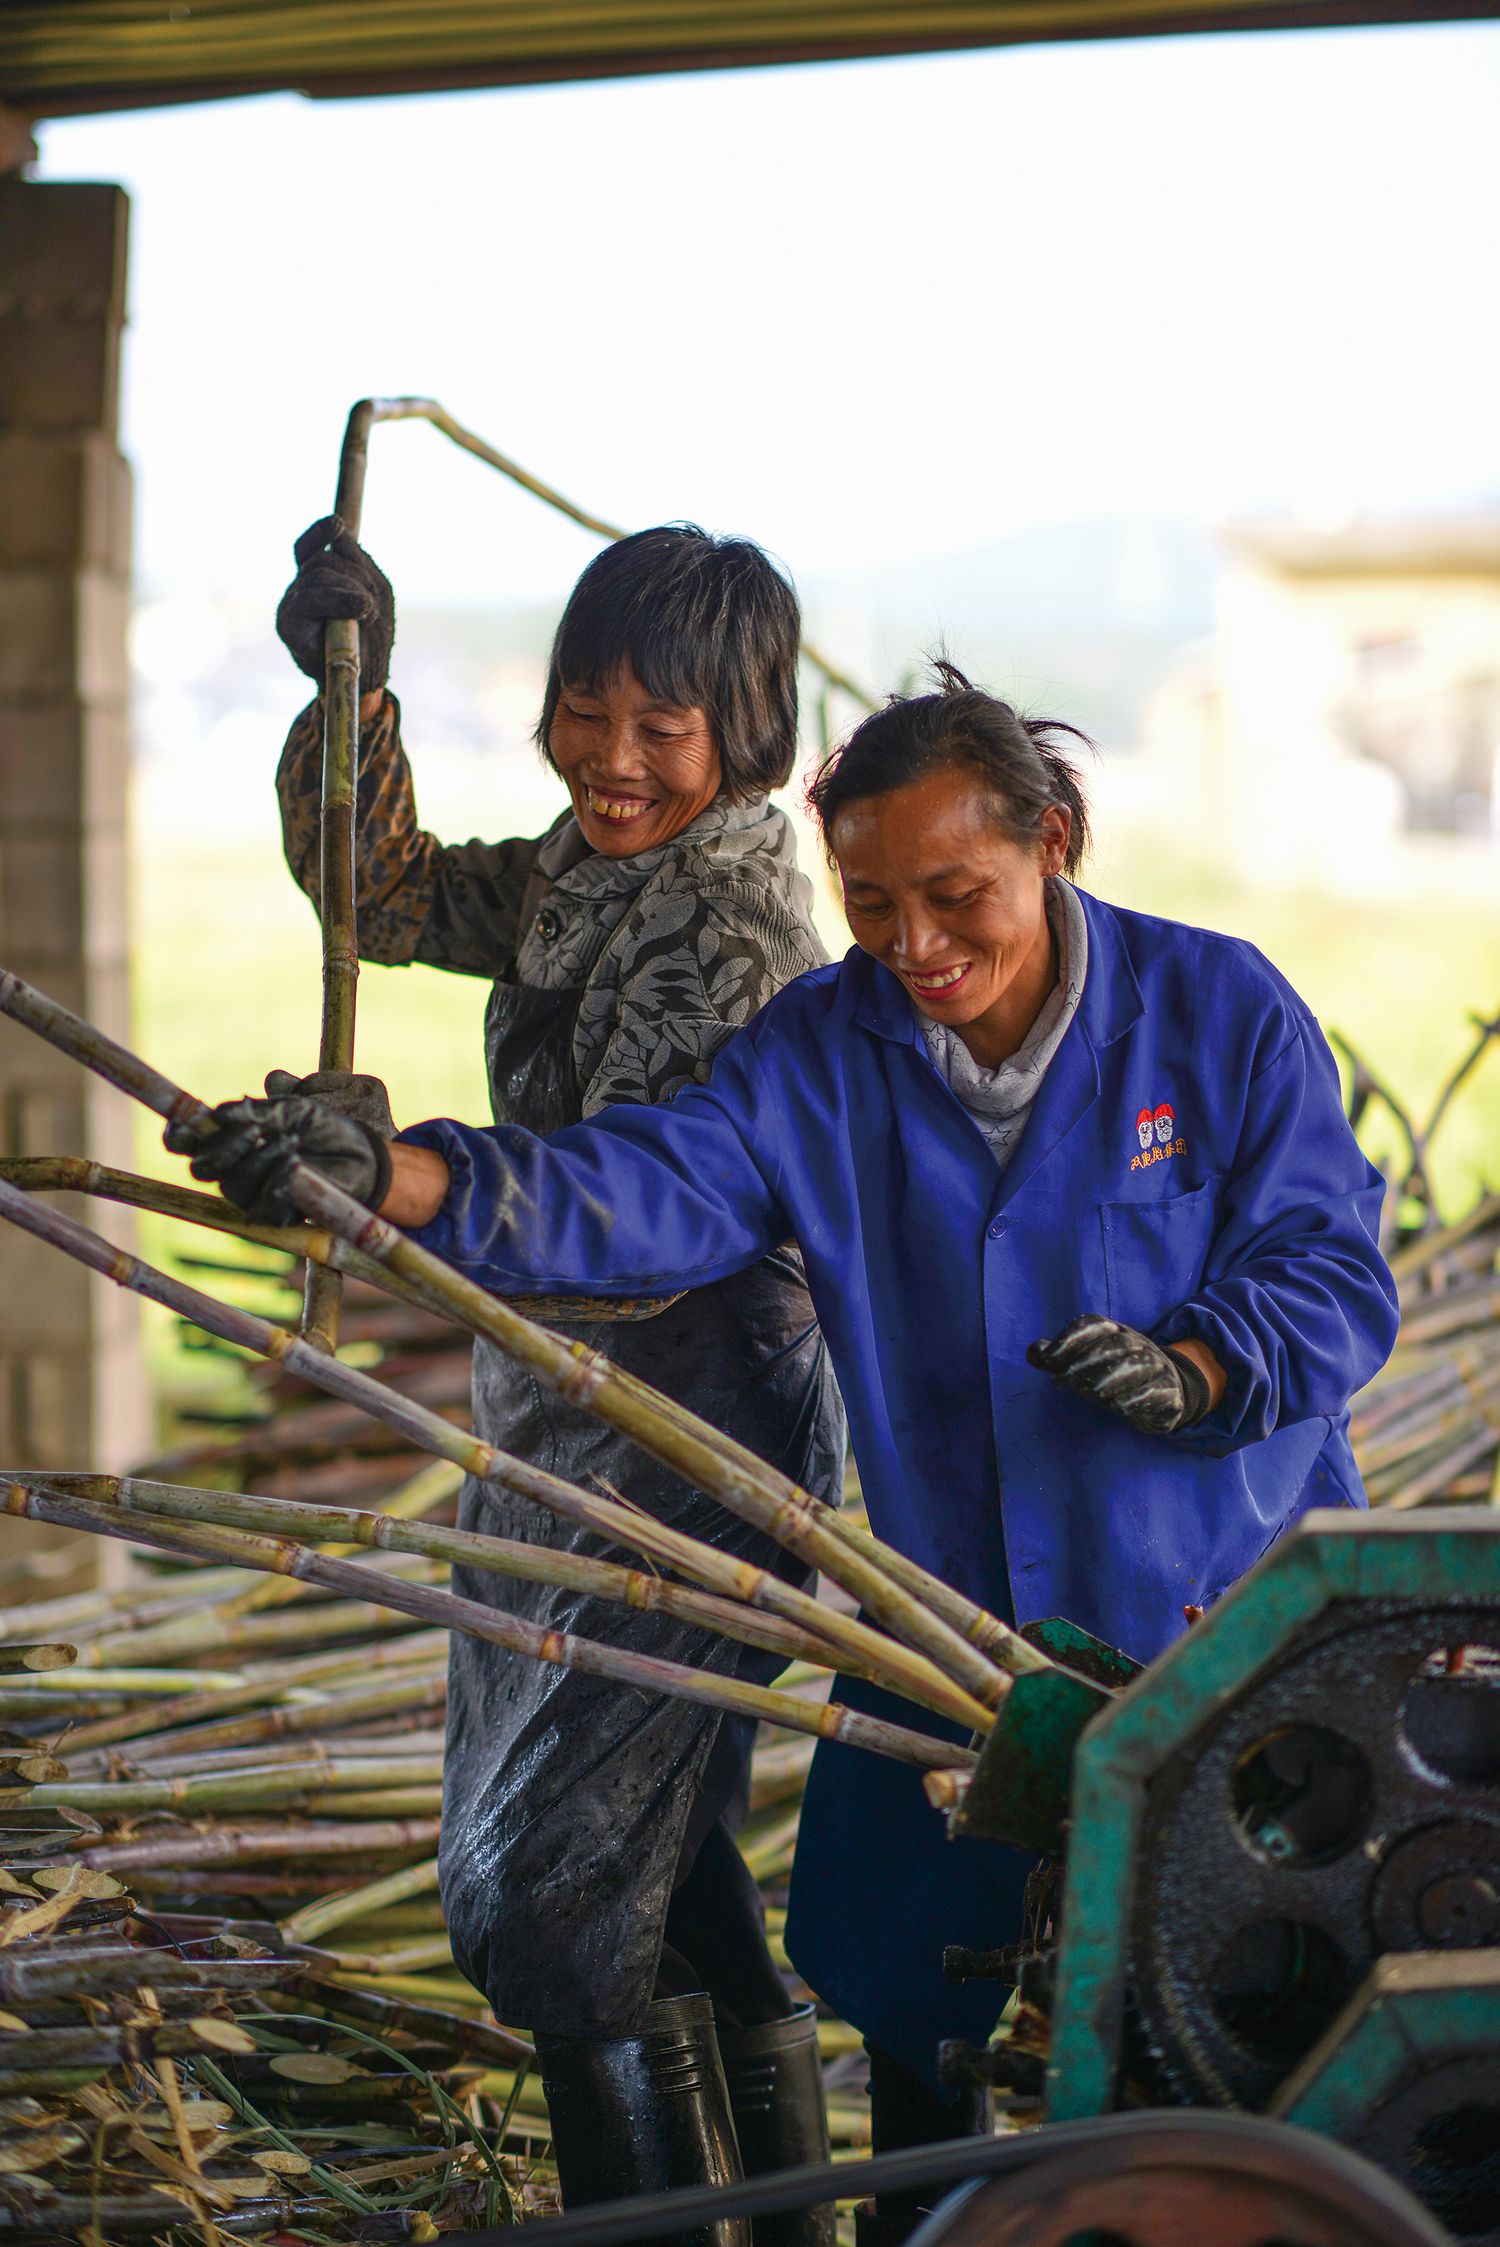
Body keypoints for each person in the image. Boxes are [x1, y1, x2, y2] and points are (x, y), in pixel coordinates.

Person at [184, 666, 1399, 2244]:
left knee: (1234, 2034)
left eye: (958, 896)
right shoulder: (823, 1053)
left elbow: (1334, 1269)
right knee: (909, 2004)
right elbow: (649, 1185)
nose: (918, 949)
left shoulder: (1222, 1011)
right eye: (875, 905)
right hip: (951, 1633)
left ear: (1057, 840)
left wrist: (1200, 1363)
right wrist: (398, 1177)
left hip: (1216, 1641)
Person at [264, 519, 849, 2246]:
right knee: (657, 1866)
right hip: (563, 1414)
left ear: (743, 736)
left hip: (689, 1441)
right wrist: (345, 691)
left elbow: (640, 1214)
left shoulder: (732, 923)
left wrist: (402, 1177)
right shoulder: (585, 872)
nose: (610, 758)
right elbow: (380, 894)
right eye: (584, 711)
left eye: (659, 728)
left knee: (568, 1888)